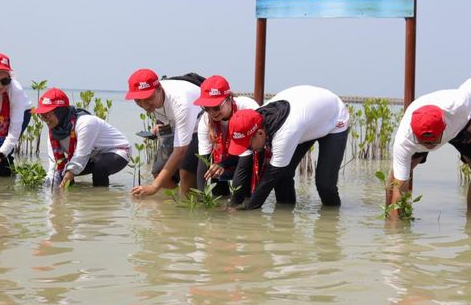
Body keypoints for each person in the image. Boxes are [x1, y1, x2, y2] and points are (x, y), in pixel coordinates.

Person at [227, 85, 350, 210]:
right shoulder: (258, 117)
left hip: (334, 118)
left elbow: (268, 180)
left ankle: (332, 220)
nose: (248, 149)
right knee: (283, 175)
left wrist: (247, 211)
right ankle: (285, 218)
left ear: (260, 133)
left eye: (247, 145)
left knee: (325, 184)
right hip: (306, 119)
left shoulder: (285, 133)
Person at [387, 74, 471, 217]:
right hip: (420, 132)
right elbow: (399, 188)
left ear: (444, 128)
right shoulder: (404, 140)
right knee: (396, 181)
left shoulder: (459, 104)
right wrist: (395, 237)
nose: (430, 146)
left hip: (461, 125)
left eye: (433, 142)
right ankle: (389, 219)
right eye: (424, 143)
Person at [127, 68, 202, 197]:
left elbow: (180, 151)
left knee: (186, 171)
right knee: (158, 171)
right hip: (177, 125)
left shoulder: (181, 103)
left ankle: (191, 203)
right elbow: (162, 111)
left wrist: (153, 187)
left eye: (148, 98)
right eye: (138, 100)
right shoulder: (155, 98)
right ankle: (176, 204)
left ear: (159, 89)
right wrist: (160, 124)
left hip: (201, 124)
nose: (144, 105)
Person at [35, 87, 131, 188]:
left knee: (99, 168)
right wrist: (50, 187)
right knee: (60, 174)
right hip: (91, 155)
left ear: (60, 112)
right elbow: (54, 165)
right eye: (41, 115)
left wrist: (67, 178)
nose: (45, 120)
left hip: (118, 151)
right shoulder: (53, 133)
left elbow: (80, 156)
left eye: (47, 115)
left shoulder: (85, 123)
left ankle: (101, 200)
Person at [192, 75, 259, 204]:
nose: (212, 112)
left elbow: (247, 157)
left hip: (250, 155)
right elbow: (203, 161)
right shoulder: (205, 120)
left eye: (216, 107)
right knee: (216, 182)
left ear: (229, 99)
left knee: (244, 198)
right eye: (206, 107)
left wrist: (234, 205)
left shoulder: (247, 108)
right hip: (226, 157)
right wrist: (202, 201)